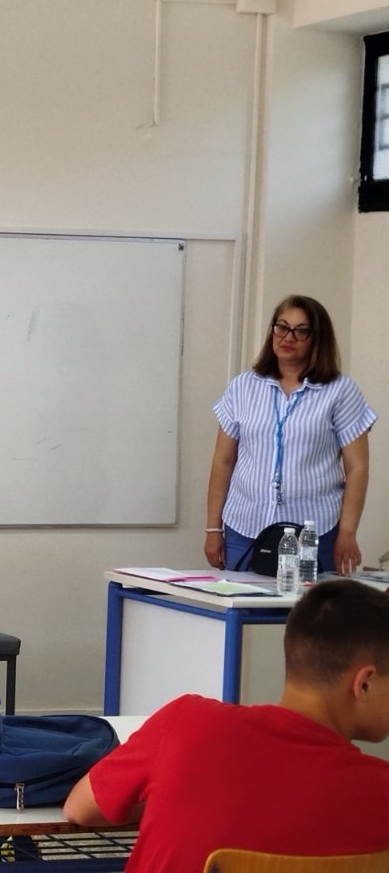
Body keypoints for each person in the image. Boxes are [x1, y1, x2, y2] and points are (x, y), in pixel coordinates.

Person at [63, 578, 389, 870]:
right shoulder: (379, 794)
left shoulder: (186, 722)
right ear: (364, 683)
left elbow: (80, 809)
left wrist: (170, 795)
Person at [205, 295, 374, 574]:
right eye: (281, 327)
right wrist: (213, 529)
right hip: (244, 526)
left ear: (317, 338)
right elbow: (223, 460)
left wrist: (347, 532)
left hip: (315, 529)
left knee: (310, 603)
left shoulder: (340, 391)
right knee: (240, 600)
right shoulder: (242, 387)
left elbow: (357, 468)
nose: (288, 337)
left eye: (301, 331)